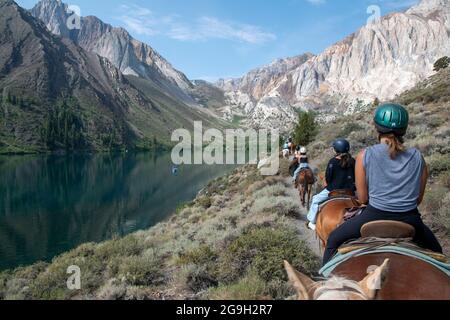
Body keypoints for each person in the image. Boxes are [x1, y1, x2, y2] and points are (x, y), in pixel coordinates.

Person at [322, 104, 443, 265]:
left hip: (373, 215)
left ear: (377, 128)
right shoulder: (417, 157)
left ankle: (323, 283)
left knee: (333, 240)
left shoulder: (365, 155)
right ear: (404, 130)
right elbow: (418, 199)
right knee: (439, 254)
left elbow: (363, 198)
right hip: (410, 219)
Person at [306, 139, 356, 231]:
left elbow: (328, 179)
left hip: (333, 190)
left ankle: (311, 221)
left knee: (315, 199)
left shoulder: (332, 162)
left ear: (336, 150)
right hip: (350, 191)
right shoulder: (353, 161)